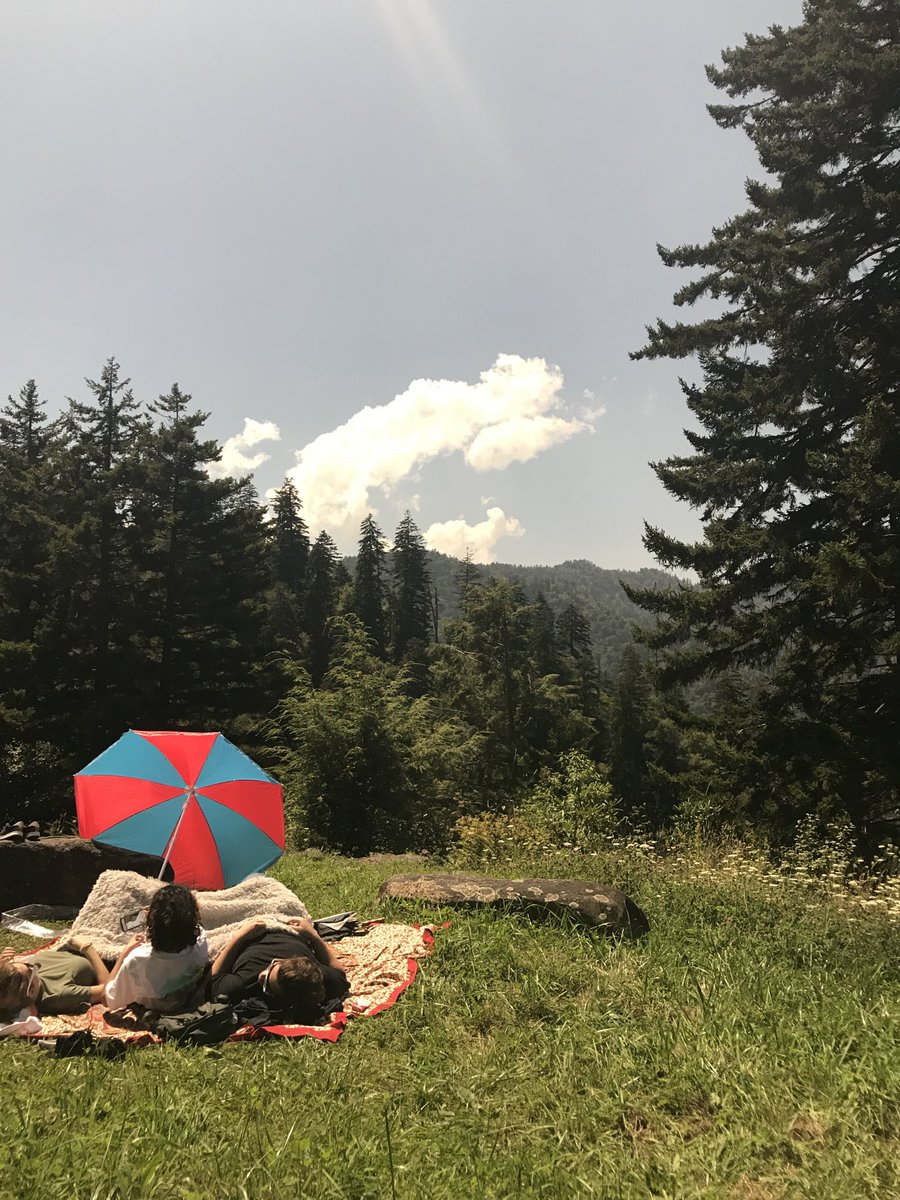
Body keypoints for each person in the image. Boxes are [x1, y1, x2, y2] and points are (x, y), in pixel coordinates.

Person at [208, 917, 349, 1019]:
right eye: (271, 968)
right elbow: (339, 973)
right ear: (280, 961)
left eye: (267, 985)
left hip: (250, 936)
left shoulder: (243, 984)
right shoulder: (312, 974)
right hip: (287, 930)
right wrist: (312, 934)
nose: (262, 975)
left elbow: (213, 977)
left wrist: (239, 936)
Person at [104, 883, 209, 1013]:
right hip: (185, 1002)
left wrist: (125, 953)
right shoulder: (202, 940)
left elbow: (109, 1000)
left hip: (152, 1011)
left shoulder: (136, 960)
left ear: (152, 921)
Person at [0, 935, 110, 1017]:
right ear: (31, 990)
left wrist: (4, 966)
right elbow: (108, 991)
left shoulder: (20, 978)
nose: (30, 964)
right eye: (29, 968)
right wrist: (87, 948)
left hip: (75, 942)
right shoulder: (58, 995)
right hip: (103, 956)